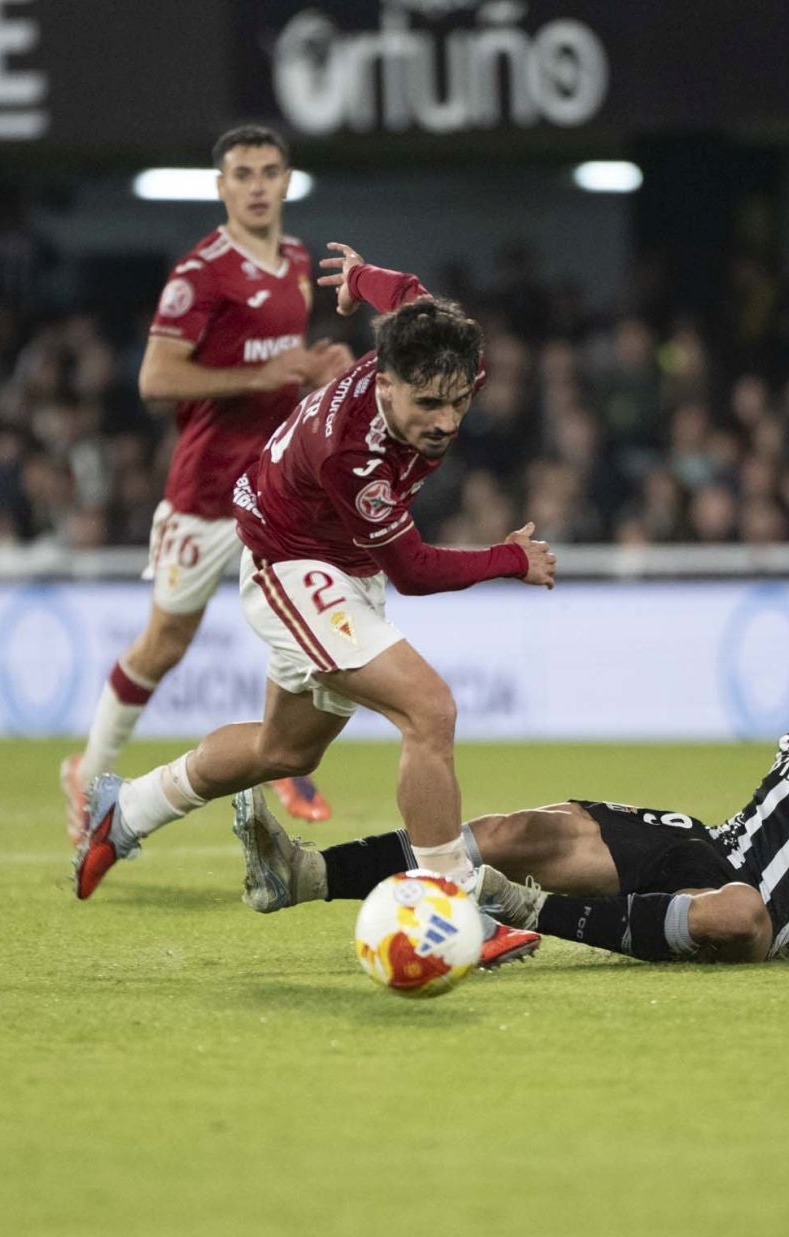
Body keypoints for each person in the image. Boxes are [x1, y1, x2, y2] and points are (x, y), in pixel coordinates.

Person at [76, 243, 557, 966]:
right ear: (385, 383)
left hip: (340, 566)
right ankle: (452, 907)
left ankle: (128, 808)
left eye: (459, 402)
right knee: (430, 711)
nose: (448, 420)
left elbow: (409, 290)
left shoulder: (444, 354)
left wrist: (358, 279)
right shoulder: (349, 449)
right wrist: (509, 558)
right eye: (428, 404)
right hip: (293, 567)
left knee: (284, 750)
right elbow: (416, 570)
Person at [235, 609, 789, 966]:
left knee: (737, 909)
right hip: (704, 851)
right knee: (532, 827)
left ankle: (524, 910)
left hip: (753, 919)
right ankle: (301, 874)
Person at [59, 125, 352, 842]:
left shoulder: (295, 260)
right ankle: (87, 769)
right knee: (163, 645)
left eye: (269, 171)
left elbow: (283, 372)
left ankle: (282, 755)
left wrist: (314, 372)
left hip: (274, 488)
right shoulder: (202, 273)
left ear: (287, 181)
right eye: (242, 173)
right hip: (203, 495)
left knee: (301, 615)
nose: (256, 185)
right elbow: (155, 379)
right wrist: (266, 374)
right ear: (221, 187)